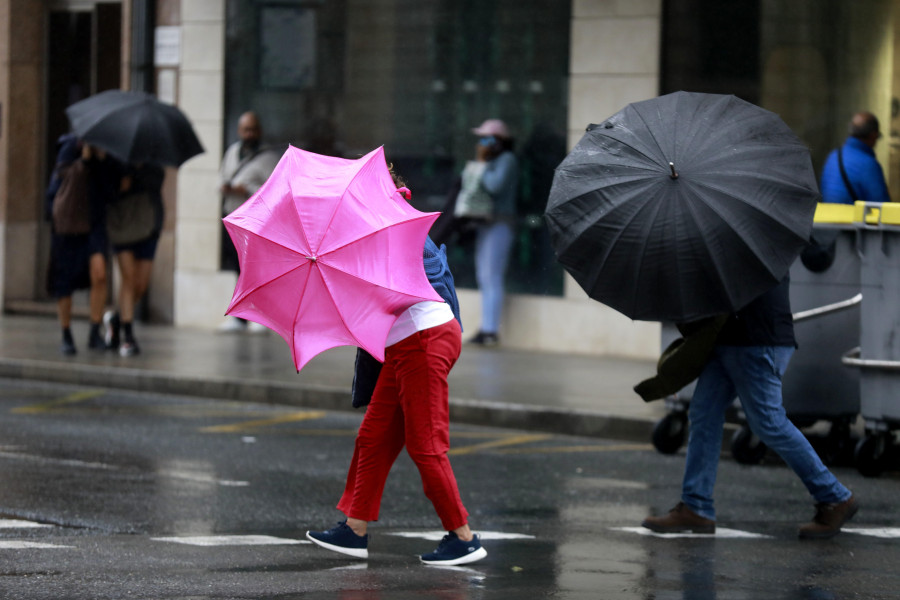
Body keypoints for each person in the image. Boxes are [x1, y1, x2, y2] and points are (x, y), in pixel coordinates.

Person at [306, 174, 487, 566]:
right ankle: (354, 530)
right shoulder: (375, 225)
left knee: (426, 444)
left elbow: (377, 290)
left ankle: (463, 537)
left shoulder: (388, 225)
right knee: (373, 436)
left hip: (423, 340)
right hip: (405, 343)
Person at [641, 276, 858, 539]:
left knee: (768, 422)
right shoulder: (728, 239)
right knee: (704, 415)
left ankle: (835, 497)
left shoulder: (754, 241)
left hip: (757, 339)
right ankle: (696, 506)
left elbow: (736, 285)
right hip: (727, 339)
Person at [45, 135, 113, 355]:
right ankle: (66, 333)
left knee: (100, 274)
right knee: (64, 283)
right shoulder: (69, 148)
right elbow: (62, 185)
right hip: (68, 226)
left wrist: (102, 161)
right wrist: (83, 160)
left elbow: (110, 192)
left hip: (94, 224)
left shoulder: (106, 152)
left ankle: (95, 331)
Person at [217, 111, 280, 333]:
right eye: (245, 129)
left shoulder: (268, 158)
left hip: (257, 224)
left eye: (253, 129)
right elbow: (221, 177)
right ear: (239, 131)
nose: (249, 133)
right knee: (238, 270)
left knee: (257, 271)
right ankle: (240, 317)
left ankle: (261, 317)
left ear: (259, 131)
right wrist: (226, 188)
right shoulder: (232, 152)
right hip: (233, 219)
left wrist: (247, 191)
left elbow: (275, 192)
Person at [463, 119, 519, 347]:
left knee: (492, 276)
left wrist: (483, 164)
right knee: (483, 276)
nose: (483, 143)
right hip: (485, 223)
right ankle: (486, 327)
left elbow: (494, 186)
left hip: (500, 225)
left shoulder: (507, 160)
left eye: (488, 139)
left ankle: (490, 330)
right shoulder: (493, 160)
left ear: (499, 141)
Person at [104, 162, 166, 357]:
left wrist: (135, 175)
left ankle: (115, 318)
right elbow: (106, 189)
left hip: (148, 225)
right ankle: (128, 337)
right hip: (122, 223)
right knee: (128, 280)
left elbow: (156, 182)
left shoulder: (154, 160)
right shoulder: (115, 159)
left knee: (140, 285)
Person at [820, 111, 890, 204]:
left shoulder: (833, 156)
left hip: (826, 217)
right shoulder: (869, 165)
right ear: (873, 135)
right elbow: (882, 207)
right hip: (852, 218)